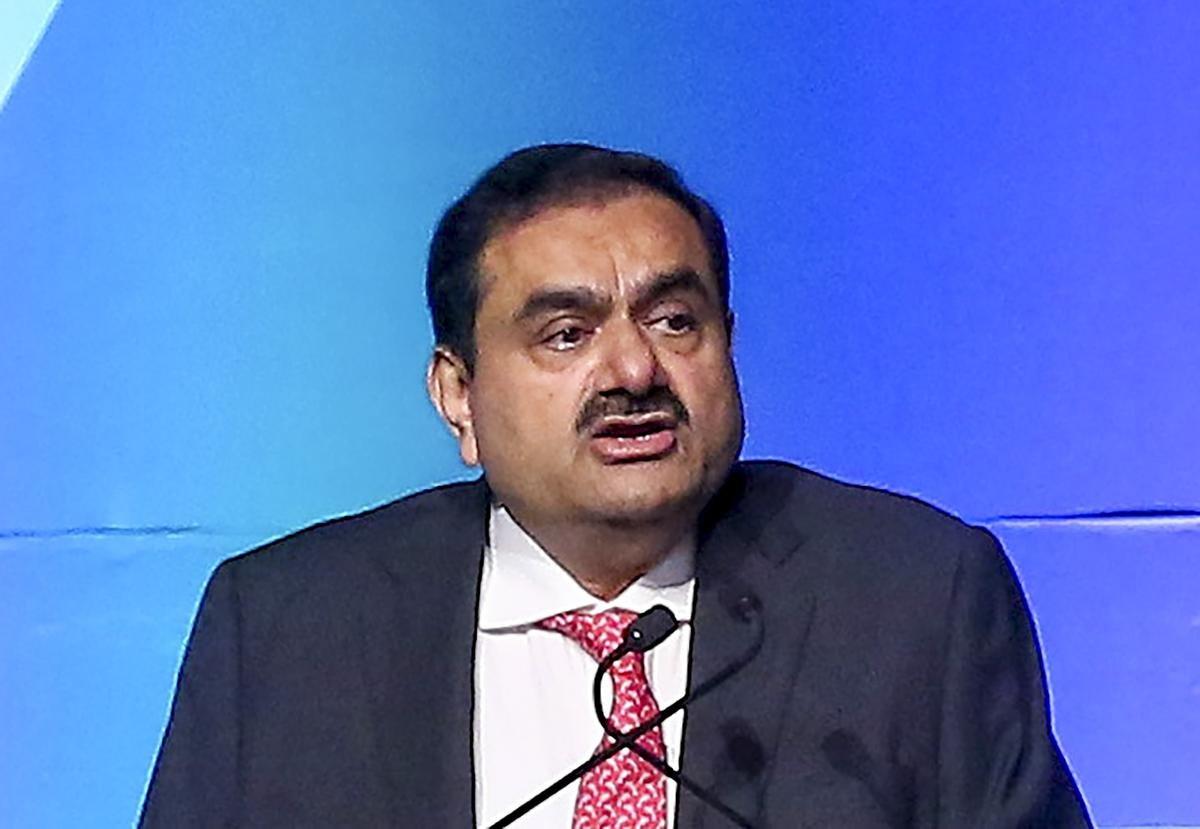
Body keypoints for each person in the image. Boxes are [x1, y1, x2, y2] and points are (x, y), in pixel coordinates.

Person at [140, 143, 1091, 827]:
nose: (635, 369)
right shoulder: (287, 627)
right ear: (459, 395)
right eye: (566, 334)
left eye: (675, 321)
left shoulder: (914, 599)